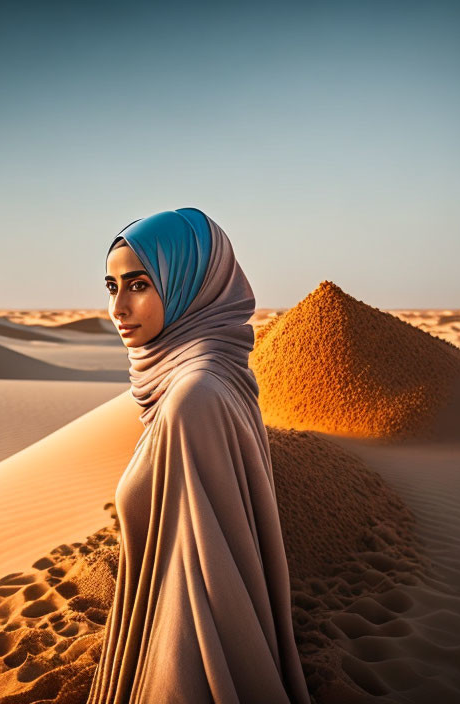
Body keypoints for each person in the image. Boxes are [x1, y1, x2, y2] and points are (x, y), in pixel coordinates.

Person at [88, 207, 311, 704]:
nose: (118, 308)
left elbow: (199, 604)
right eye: (111, 287)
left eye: (139, 284)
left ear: (193, 284)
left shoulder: (195, 399)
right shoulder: (209, 376)